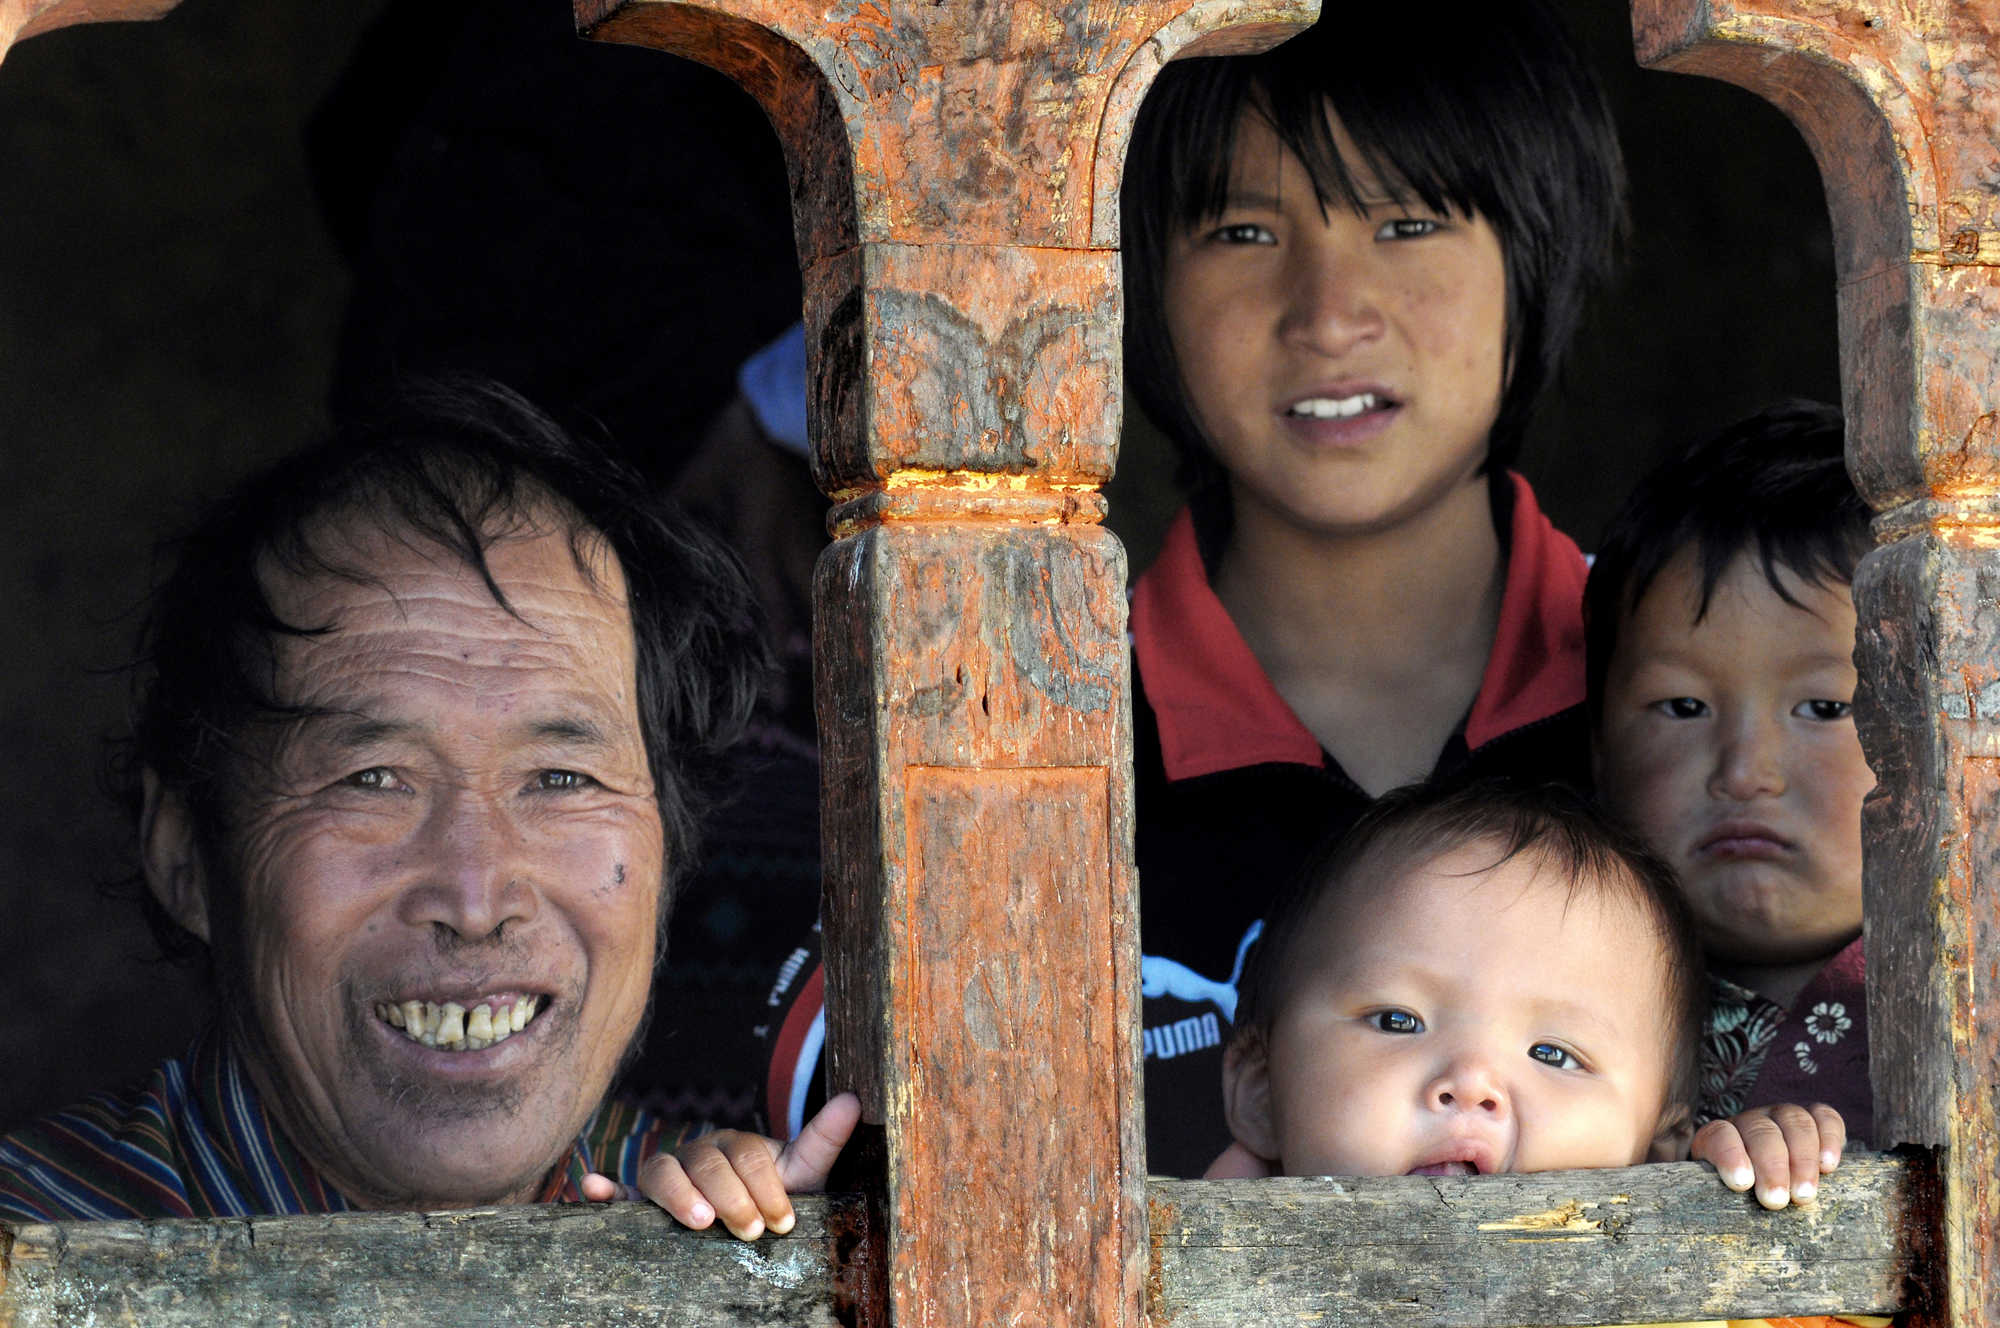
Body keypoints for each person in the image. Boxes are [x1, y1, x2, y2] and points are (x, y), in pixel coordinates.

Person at [761, 0, 1627, 1175]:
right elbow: (838, 1102)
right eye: (1241, 232)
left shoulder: (1673, 686)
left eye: (1409, 221)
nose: (1328, 313)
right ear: (1126, 287)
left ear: (1533, 263)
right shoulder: (1019, 728)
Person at [0, 380, 768, 1219]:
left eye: (561, 780)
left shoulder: (722, 1228)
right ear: (185, 856)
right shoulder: (33, 1256)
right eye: (372, 782)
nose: (476, 901)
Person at [1211, 779, 1885, 1328]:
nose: (1471, 1083)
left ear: (1659, 1147)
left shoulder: (1681, 1288)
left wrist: (1763, 1200)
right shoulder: (1197, 1276)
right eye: (1398, 1019)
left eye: (1554, 1054)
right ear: (1262, 1090)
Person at [1587, 402, 1877, 1139]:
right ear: (1594, 749)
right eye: (1683, 707)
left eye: (1824, 708)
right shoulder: (1555, 1007)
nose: (1746, 773)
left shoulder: (1979, 1006)